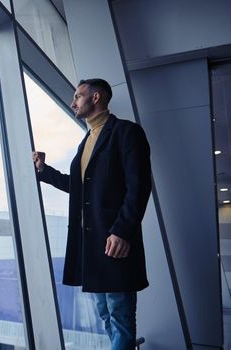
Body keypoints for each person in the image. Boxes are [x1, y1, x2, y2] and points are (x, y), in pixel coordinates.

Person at [33, 78, 152, 350]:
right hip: (92, 243)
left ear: (96, 97)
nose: (73, 102)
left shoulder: (126, 132)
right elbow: (77, 188)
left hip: (115, 239)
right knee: (105, 314)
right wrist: (44, 170)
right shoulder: (85, 142)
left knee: (120, 315)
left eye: (78, 96)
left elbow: (139, 186)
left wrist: (122, 231)